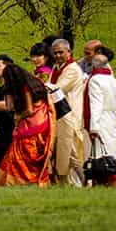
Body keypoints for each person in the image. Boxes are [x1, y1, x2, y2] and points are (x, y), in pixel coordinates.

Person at [0, 59, 53, 187]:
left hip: (30, 129)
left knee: (20, 160)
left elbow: (27, 109)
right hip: (15, 129)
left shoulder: (25, 87)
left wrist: (18, 117)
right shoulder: (1, 90)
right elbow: (5, 108)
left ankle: (19, 183)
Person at [46, 38, 86, 187]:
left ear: (69, 52)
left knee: (71, 151)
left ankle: (84, 182)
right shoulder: (57, 67)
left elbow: (58, 88)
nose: (57, 55)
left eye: (61, 52)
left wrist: (41, 86)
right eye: (55, 53)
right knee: (62, 152)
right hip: (59, 115)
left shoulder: (73, 69)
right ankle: (64, 183)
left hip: (70, 115)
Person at [83, 47, 116, 188]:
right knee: (112, 152)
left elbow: (96, 104)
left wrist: (93, 127)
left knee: (101, 153)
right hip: (112, 118)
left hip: (100, 119)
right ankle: (113, 181)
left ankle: (109, 182)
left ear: (93, 65)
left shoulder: (95, 80)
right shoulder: (113, 80)